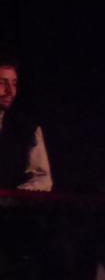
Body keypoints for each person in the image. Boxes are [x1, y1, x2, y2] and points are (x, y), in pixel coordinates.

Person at [0, 57, 52, 192]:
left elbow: (42, 178)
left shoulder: (27, 127)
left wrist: (12, 197)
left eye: (14, 84)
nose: (10, 91)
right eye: (2, 83)